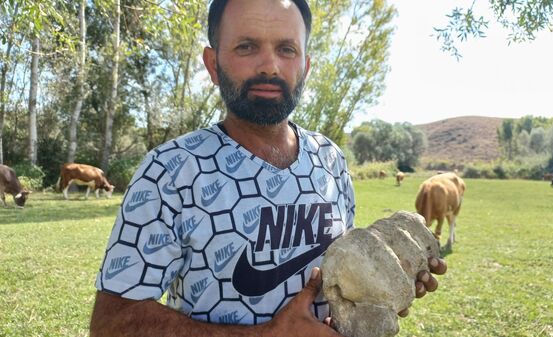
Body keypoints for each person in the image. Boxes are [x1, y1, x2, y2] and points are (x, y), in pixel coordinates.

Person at [89, 0, 447, 336]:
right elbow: (110, 322)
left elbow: (343, 281)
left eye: (287, 49)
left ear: (305, 66)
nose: (269, 66)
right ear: (213, 65)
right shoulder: (170, 171)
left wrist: (383, 282)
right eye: (246, 46)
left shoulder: (331, 160)